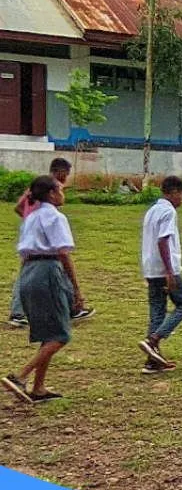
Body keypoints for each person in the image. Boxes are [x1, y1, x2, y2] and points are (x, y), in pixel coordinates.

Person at [2, 176, 84, 404]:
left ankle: (38, 387)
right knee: (61, 334)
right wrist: (76, 289)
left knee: (47, 333)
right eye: (60, 189)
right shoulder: (55, 217)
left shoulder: (32, 216)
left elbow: (21, 215)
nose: (63, 193)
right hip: (48, 270)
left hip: (28, 271)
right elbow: (63, 253)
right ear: (51, 194)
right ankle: (20, 376)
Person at [8, 158, 93, 328]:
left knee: (34, 272)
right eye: (67, 174)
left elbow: (19, 207)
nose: (67, 179)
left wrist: (30, 219)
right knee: (53, 268)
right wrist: (37, 221)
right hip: (42, 241)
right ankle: (19, 312)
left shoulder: (39, 189)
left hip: (35, 238)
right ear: (59, 172)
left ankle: (72, 308)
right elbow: (19, 206)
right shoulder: (48, 188)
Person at [138, 176, 182, 374]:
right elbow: (163, 241)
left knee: (157, 311)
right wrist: (169, 271)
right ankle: (154, 339)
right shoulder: (168, 211)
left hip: (151, 268)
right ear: (173, 192)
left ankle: (153, 361)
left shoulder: (152, 210)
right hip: (165, 268)